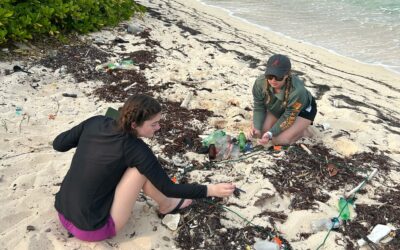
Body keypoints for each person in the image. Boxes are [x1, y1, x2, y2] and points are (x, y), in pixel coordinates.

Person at [53, 94, 235, 242]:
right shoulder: (136, 149)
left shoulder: (96, 122)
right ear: (134, 124)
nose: (158, 127)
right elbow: (169, 187)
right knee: (139, 170)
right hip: (92, 228)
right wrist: (212, 189)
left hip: (62, 211)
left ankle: (166, 203)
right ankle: (168, 204)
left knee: (126, 167)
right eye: (153, 124)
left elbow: (59, 144)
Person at [248, 54, 317, 145]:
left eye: (278, 77)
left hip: (302, 111)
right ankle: (288, 128)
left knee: (280, 140)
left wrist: (270, 133)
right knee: (262, 131)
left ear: (286, 75)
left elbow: (288, 117)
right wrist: (256, 128)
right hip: (280, 106)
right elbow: (259, 107)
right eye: (270, 76)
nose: (273, 80)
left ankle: (305, 131)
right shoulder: (260, 82)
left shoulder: (297, 91)